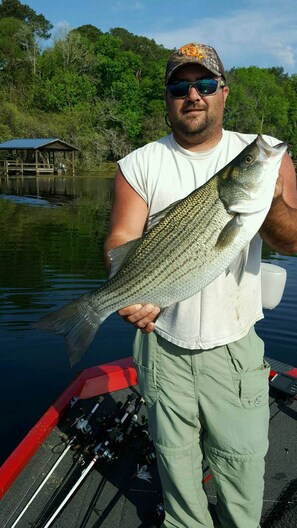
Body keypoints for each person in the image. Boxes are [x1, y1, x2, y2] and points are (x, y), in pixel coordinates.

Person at [104, 42, 297, 528]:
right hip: (161, 345)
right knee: (176, 471)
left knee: (243, 472)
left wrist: (268, 199)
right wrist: (123, 296)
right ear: (168, 99)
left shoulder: (261, 152)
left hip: (232, 348)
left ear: (223, 93)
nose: (193, 94)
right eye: (180, 86)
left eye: (205, 84)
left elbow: (292, 242)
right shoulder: (138, 164)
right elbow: (121, 242)